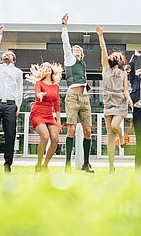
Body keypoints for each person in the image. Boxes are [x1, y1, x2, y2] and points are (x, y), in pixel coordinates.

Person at [96, 25, 133, 173]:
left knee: (115, 126)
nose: (115, 57)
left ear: (121, 60)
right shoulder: (105, 69)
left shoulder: (124, 73)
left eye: (118, 57)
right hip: (108, 102)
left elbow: (125, 89)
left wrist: (129, 99)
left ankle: (123, 138)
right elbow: (104, 51)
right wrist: (100, 36)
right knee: (110, 137)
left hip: (120, 102)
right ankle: (111, 167)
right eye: (114, 56)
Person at [0, 25, 23, 173]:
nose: (6, 55)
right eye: (4, 54)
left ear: (14, 59)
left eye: (10, 54)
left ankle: (8, 164)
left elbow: (19, 91)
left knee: (10, 135)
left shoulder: (18, 72)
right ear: (1, 58)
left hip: (10, 106)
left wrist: (18, 106)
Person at [61, 14, 94, 173]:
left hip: (84, 98)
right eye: (73, 49)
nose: (74, 49)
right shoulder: (69, 60)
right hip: (72, 97)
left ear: (81, 53)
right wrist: (64, 26)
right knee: (72, 129)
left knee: (88, 130)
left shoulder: (83, 64)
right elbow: (65, 44)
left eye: (77, 49)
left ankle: (86, 164)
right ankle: (67, 164)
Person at [27, 62, 62, 172]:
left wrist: (58, 121)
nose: (47, 68)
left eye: (49, 67)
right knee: (45, 137)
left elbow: (57, 104)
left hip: (49, 115)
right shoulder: (39, 83)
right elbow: (37, 93)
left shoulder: (55, 86)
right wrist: (39, 95)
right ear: (42, 71)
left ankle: (45, 165)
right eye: (44, 67)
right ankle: (38, 164)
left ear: (52, 70)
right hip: (38, 113)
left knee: (55, 139)